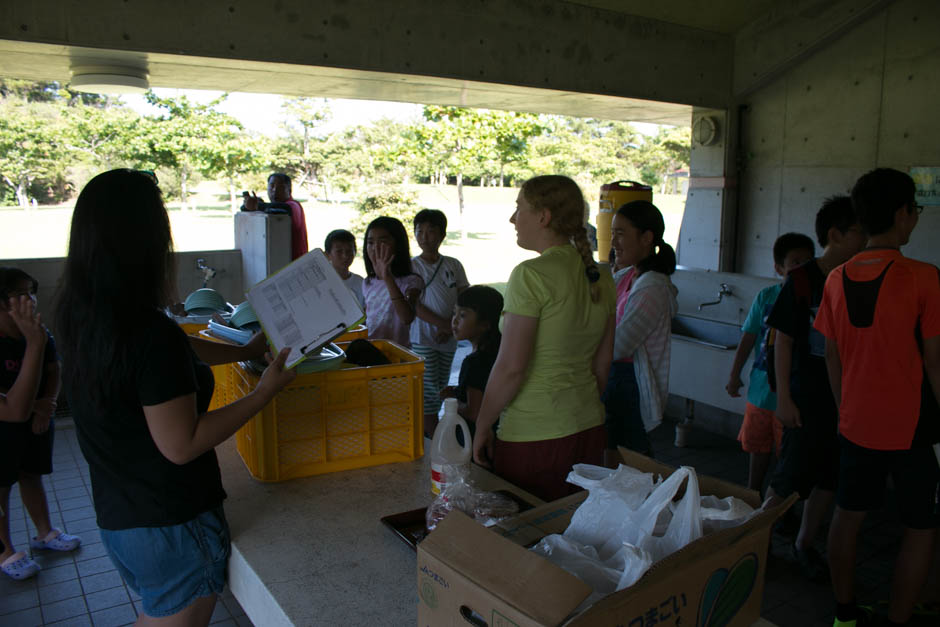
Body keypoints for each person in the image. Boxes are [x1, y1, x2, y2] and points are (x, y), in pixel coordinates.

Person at [56, 169, 295, 625]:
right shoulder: (149, 333)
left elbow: (170, 353)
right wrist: (264, 393)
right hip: (172, 524)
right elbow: (181, 444)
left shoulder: (82, 316)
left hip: (121, 518)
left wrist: (241, 350)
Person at [814, 168, 940, 627]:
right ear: (903, 213)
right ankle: (900, 619)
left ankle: (844, 615)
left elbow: (831, 356)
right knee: (921, 525)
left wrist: (846, 408)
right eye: (915, 211)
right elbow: (935, 362)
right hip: (914, 427)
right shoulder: (923, 277)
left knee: (848, 516)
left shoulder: (835, 279)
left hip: (856, 423)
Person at [472, 175, 616, 502]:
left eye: (518, 208)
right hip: (589, 427)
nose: (513, 219)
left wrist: (482, 425)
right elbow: (603, 363)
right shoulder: (601, 276)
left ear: (543, 216)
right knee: (575, 533)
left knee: (534, 536)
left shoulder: (530, 275)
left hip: (535, 436)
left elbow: (511, 368)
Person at [762, 196, 867, 581]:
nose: (866, 239)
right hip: (806, 398)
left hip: (844, 400)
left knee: (830, 477)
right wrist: (784, 399)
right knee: (790, 479)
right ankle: (755, 543)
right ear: (835, 235)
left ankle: (804, 544)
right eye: (861, 231)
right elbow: (783, 340)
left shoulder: (858, 277)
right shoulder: (803, 279)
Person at [0, 268, 81, 581]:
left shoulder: (38, 334)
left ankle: (45, 533)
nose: (30, 300)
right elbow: (12, 409)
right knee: (1, 489)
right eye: (19, 294)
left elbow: (52, 370)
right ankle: (5, 550)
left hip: (33, 423)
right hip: (5, 426)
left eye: (30, 291)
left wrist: (47, 406)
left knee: (31, 475)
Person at [725, 233, 815, 493]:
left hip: (795, 394)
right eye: (794, 262)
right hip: (761, 391)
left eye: (807, 262)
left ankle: (781, 504)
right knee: (757, 447)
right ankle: (752, 494)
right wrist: (734, 375)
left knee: (788, 455)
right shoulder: (766, 297)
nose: (801, 268)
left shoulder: (815, 300)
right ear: (779, 268)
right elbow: (748, 338)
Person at [603, 201, 679, 461]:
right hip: (614, 376)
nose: (613, 241)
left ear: (647, 238)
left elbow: (620, 345)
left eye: (621, 233)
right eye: (613, 233)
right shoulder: (625, 276)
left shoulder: (653, 287)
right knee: (610, 450)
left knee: (633, 458)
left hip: (630, 381)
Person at [411, 209, 469, 426]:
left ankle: (433, 430)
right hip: (424, 337)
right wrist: (444, 325)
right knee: (428, 388)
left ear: (442, 235)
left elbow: (464, 295)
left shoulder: (453, 264)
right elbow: (414, 306)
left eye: (431, 231)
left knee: (442, 383)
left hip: (449, 337)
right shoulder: (413, 266)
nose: (425, 237)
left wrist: (450, 328)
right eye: (420, 231)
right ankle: (432, 432)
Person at [441, 285, 504, 437]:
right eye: (454, 313)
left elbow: (474, 412)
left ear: (485, 324)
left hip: (473, 438)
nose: (454, 321)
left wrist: (450, 398)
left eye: (462, 315)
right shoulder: (499, 353)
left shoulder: (474, 363)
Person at [362, 216, 424, 348]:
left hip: (398, 356)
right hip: (372, 351)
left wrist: (387, 277)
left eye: (382, 241)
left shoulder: (412, 281)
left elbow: (406, 318)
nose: (375, 248)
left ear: (398, 244)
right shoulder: (367, 282)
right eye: (370, 242)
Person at [243, 173, 309, 261]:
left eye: (281, 187)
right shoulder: (270, 207)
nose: (275, 190)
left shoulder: (294, 205)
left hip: (296, 265)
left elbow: (283, 209)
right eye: (271, 186)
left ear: (289, 190)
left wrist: (257, 206)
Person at [324, 229, 365, 311]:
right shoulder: (321, 283)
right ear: (328, 255)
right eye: (339, 251)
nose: (345, 256)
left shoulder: (361, 283)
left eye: (349, 251)